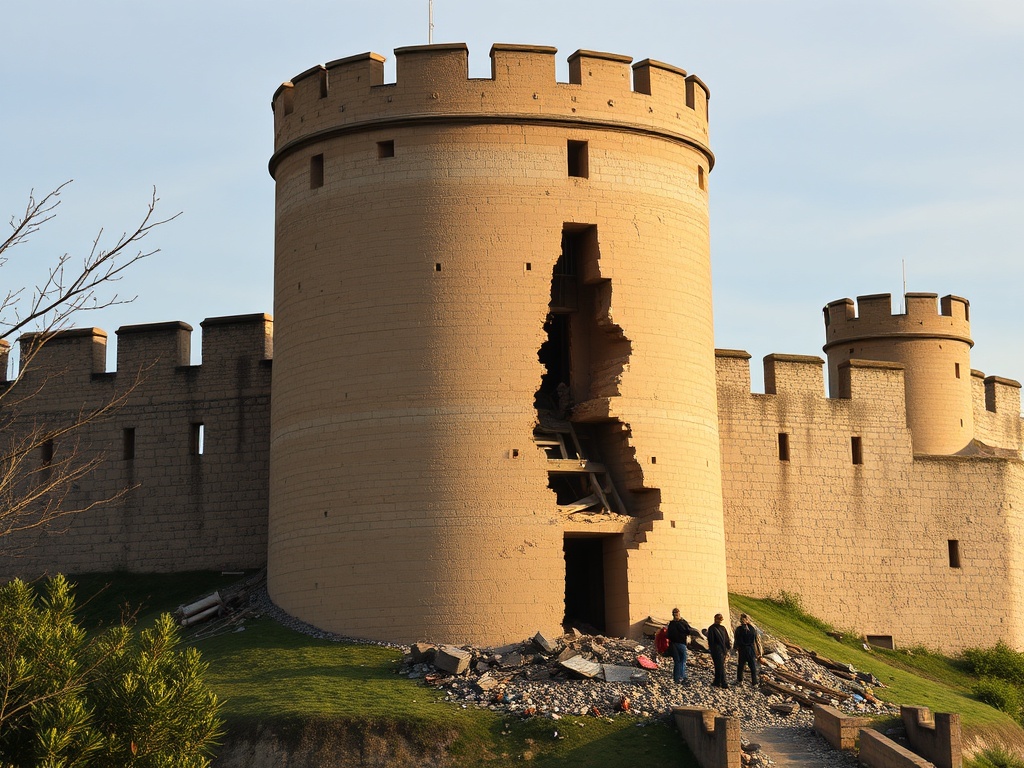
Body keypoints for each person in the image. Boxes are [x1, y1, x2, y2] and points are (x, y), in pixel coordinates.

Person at [667, 607, 696, 683]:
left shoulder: (671, 624)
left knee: (677, 661)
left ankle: (676, 678)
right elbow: (689, 631)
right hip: (681, 644)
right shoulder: (683, 623)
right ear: (679, 614)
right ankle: (682, 677)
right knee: (682, 660)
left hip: (673, 644)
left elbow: (668, 635)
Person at [704, 613, 731, 688]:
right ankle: (718, 681)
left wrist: (711, 649)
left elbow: (711, 640)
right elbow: (727, 639)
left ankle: (722, 682)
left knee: (719, 666)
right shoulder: (723, 628)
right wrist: (728, 648)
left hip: (716, 649)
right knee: (720, 665)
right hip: (723, 649)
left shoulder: (711, 628)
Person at [734, 613, 760, 687]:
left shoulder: (739, 629)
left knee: (741, 665)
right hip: (751, 649)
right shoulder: (752, 629)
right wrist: (759, 652)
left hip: (742, 649)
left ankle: (740, 680)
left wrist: (735, 647)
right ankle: (754, 682)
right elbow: (756, 640)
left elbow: (736, 639)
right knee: (752, 666)